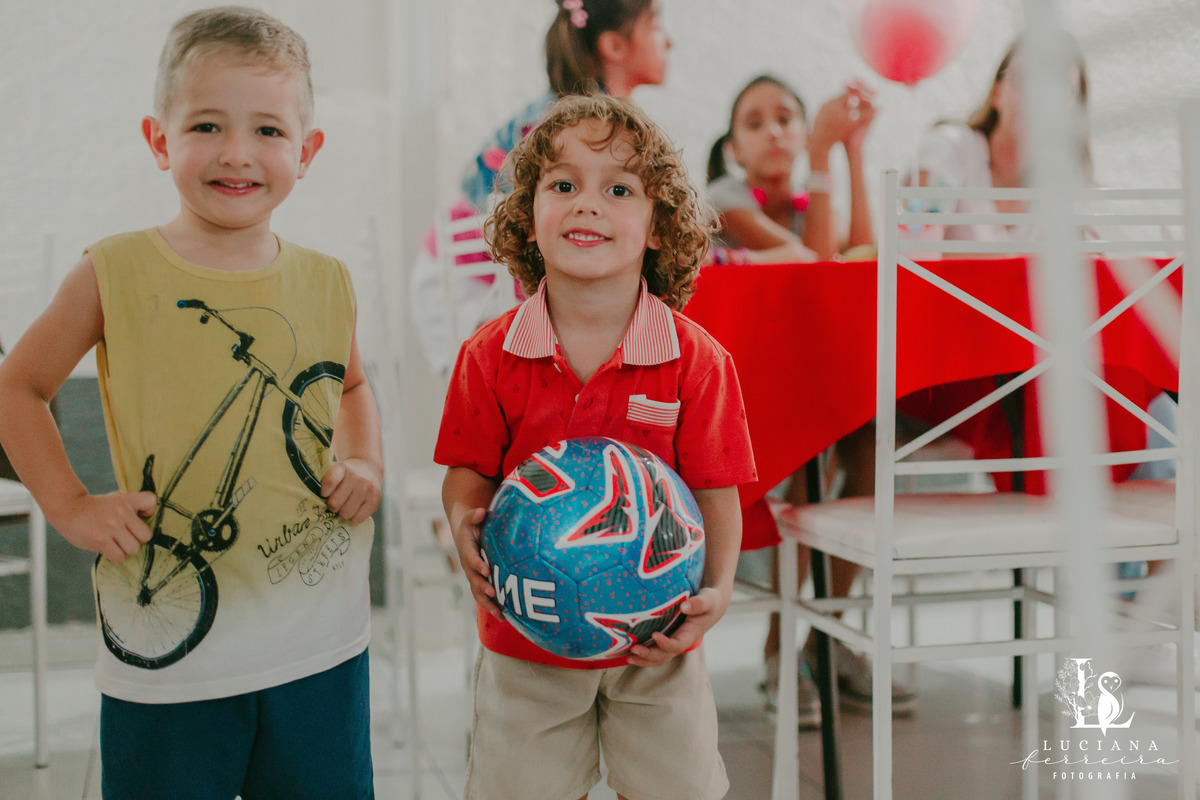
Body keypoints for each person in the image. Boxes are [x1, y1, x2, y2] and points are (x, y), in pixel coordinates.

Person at [0, 8, 382, 798]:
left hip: (319, 643)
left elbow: (351, 386)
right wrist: (69, 504)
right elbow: (18, 386)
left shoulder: (328, 280)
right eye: (207, 124)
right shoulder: (112, 272)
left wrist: (366, 461)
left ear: (306, 152)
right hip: (167, 662)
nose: (237, 153)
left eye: (269, 130)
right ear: (158, 139)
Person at [435, 93, 756, 800]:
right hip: (527, 641)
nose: (588, 204)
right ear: (528, 217)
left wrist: (720, 588)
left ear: (656, 227)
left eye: (618, 189)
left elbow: (716, 492)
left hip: (658, 642)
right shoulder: (487, 357)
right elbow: (467, 476)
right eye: (563, 185)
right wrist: (463, 523)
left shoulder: (697, 361)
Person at [412, 0, 673, 376]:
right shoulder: (573, 127)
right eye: (657, 27)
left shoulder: (603, 124)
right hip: (468, 283)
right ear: (614, 46)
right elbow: (510, 219)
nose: (670, 42)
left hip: (487, 275)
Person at [705, 74, 877, 265]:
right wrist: (819, 152)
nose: (774, 132)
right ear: (734, 150)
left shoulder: (810, 203)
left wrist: (854, 148)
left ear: (805, 135)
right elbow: (813, 265)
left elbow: (863, 259)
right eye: (754, 124)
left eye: (784, 120)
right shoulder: (721, 200)